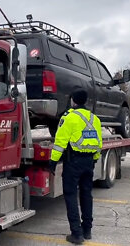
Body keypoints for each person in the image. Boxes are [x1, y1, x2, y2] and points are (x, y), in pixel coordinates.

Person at [49, 89, 103, 244]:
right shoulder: (95, 119)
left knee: (71, 195)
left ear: (73, 100)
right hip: (89, 162)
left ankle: (76, 234)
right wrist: (94, 159)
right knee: (87, 195)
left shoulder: (69, 117)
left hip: (73, 162)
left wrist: (53, 162)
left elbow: (60, 143)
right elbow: (98, 143)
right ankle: (87, 230)